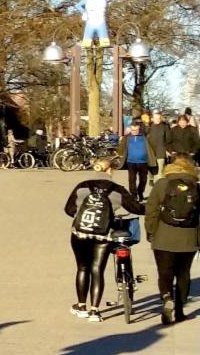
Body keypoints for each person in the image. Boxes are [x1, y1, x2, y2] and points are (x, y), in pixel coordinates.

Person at [63, 158, 145, 322]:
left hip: (80, 234)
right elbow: (135, 208)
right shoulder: (118, 190)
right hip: (104, 235)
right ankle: (95, 311)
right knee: (97, 270)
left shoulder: (82, 186)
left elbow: (68, 209)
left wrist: (81, 215)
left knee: (82, 268)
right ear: (110, 171)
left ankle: (81, 306)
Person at [144, 154, 200, 325]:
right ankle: (181, 309)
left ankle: (167, 297)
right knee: (183, 273)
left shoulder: (162, 183)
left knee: (165, 273)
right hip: (188, 238)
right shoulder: (196, 186)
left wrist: (151, 230)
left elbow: (151, 209)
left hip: (163, 236)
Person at [117, 122, 157, 201]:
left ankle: (140, 192)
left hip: (143, 162)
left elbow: (152, 147)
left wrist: (153, 157)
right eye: (132, 130)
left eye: (136, 130)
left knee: (143, 179)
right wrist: (120, 155)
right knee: (132, 179)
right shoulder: (126, 138)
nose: (134, 132)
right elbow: (121, 148)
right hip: (131, 162)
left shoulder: (145, 137)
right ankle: (134, 195)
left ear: (139, 129)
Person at [147, 111, 169, 180]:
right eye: (156, 118)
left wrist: (167, 149)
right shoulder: (149, 127)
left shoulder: (165, 127)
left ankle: (160, 181)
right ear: (152, 119)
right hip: (151, 149)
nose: (158, 120)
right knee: (151, 166)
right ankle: (151, 178)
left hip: (161, 149)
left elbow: (168, 139)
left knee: (161, 168)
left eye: (159, 118)